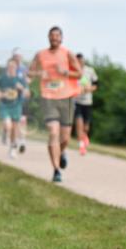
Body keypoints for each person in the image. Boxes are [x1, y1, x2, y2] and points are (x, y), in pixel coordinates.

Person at [29, 26, 81, 182]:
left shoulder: (68, 54)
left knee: (65, 138)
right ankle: (56, 169)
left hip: (66, 97)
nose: (55, 38)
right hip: (48, 97)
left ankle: (62, 152)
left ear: (62, 38)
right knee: (53, 132)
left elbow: (79, 73)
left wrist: (66, 72)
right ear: (48, 37)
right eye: (52, 36)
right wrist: (39, 73)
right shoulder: (40, 55)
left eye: (57, 36)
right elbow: (30, 72)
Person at [0, 58, 29, 158]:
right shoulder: (2, 78)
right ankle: (5, 132)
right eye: (10, 66)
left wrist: (21, 88)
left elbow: (27, 93)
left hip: (16, 106)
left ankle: (12, 149)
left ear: (16, 68)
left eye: (13, 66)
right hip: (4, 106)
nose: (12, 68)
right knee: (8, 126)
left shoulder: (20, 80)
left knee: (14, 128)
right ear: (7, 67)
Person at [73, 54, 99, 155]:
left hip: (87, 102)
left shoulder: (90, 71)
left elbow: (96, 84)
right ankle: (82, 146)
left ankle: (85, 137)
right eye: (77, 61)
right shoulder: (73, 71)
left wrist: (89, 89)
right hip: (77, 102)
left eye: (81, 61)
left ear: (83, 61)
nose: (79, 63)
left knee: (86, 127)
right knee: (79, 124)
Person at [12, 52, 30, 153]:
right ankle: (15, 140)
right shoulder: (10, 68)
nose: (18, 58)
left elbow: (28, 80)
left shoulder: (24, 69)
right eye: (16, 56)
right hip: (13, 99)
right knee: (15, 121)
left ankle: (22, 141)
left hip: (23, 98)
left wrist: (27, 88)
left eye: (19, 56)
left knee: (23, 120)